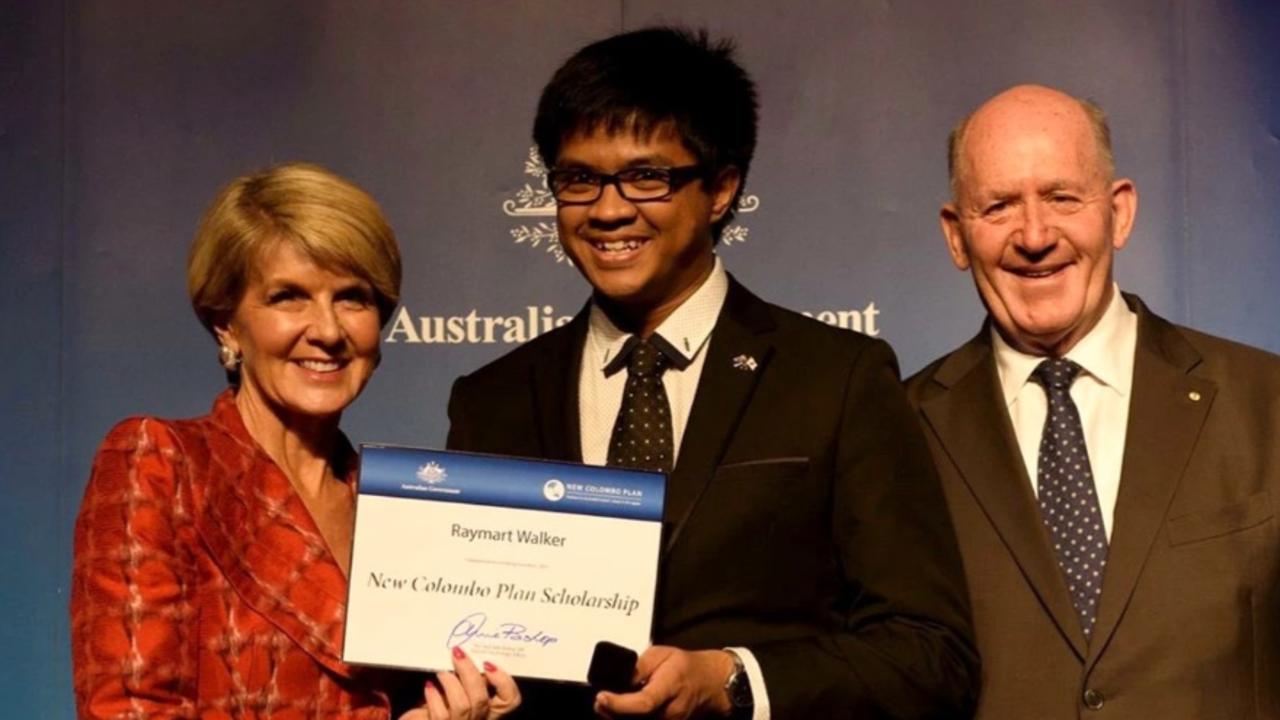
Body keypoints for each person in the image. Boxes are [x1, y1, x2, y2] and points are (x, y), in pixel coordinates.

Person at [445, 27, 977, 720]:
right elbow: (457, 639)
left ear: (721, 188)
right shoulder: (491, 399)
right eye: (579, 179)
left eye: (647, 177)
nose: (608, 210)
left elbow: (930, 654)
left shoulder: (835, 379)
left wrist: (736, 680)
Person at [70, 162, 521, 719]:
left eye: (353, 297)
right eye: (288, 297)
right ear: (227, 324)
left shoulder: (403, 511)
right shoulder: (162, 463)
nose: (328, 331)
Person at [905, 83, 1280, 718]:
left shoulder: (1265, 401)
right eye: (998, 206)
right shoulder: (897, 431)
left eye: (1061, 197)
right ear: (956, 236)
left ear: (1120, 211)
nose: (1034, 235)